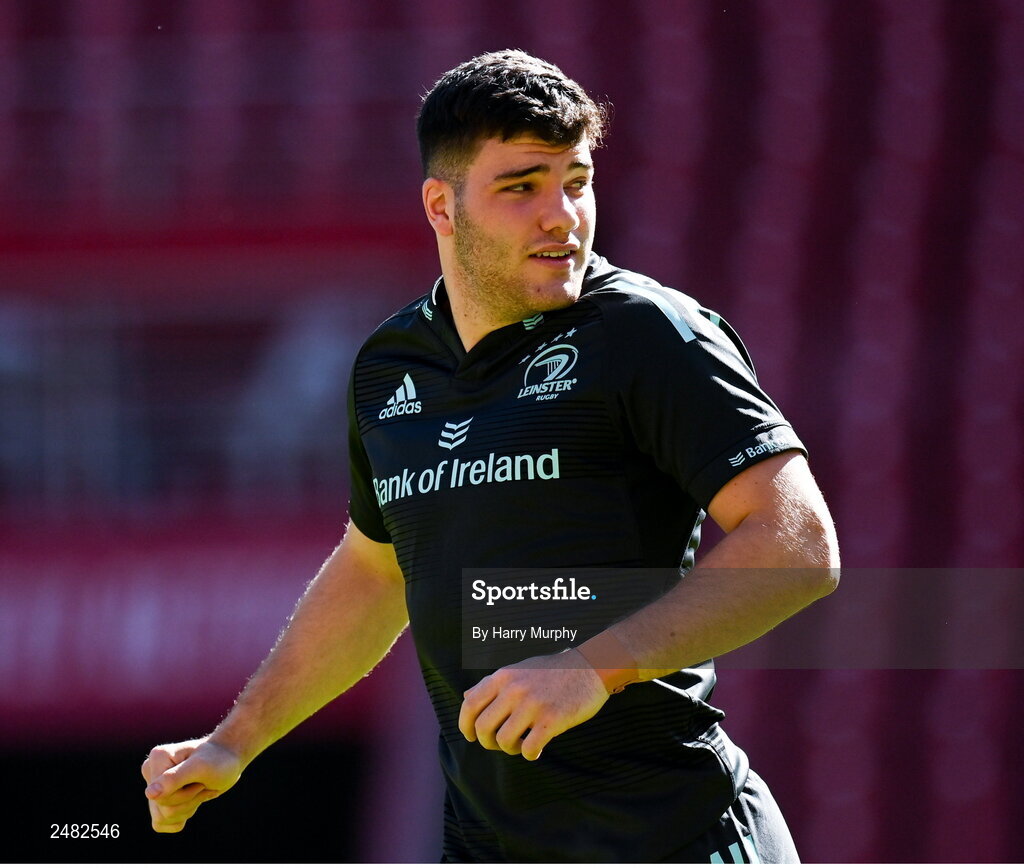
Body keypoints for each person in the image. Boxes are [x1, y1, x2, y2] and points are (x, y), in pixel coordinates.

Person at [143, 49, 839, 863]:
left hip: (675, 836)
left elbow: (798, 547)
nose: (563, 216)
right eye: (522, 188)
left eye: (575, 181)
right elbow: (376, 571)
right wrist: (237, 741)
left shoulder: (649, 336)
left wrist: (594, 666)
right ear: (442, 207)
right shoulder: (389, 365)